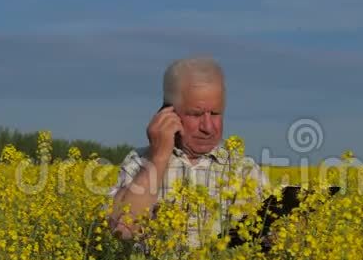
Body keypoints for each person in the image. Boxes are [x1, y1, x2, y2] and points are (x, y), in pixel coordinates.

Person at [108, 56, 270, 248]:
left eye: (216, 114)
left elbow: (264, 243)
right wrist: (158, 158)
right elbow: (123, 231)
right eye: (196, 114)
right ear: (168, 114)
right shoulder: (139, 162)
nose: (208, 127)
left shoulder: (245, 171)